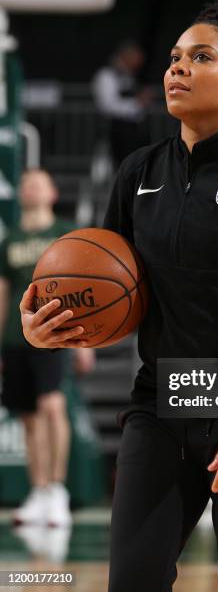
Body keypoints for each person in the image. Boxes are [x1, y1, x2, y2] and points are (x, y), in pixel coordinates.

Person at [20, 0, 218, 592]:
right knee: (131, 581)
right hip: (163, 406)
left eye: (200, 56)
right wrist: (40, 319)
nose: (176, 69)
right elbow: (88, 285)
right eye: (173, 58)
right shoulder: (138, 172)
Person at [0, 169, 95, 528]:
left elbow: (88, 289)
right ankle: (38, 491)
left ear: (53, 192)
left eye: (38, 182)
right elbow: (3, 293)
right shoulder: (11, 238)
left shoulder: (64, 233)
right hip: (15, 337)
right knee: (28, 417)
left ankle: (57, 491)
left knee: (52, 407)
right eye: (25, 184)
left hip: (57, 334)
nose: (30, 188)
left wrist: (87, 341)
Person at [92, 40, 155, 166]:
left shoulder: (129, 76)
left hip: (132, 132)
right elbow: (107, 105)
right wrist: (137, 103)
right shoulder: (106, 75)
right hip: (114, 132)